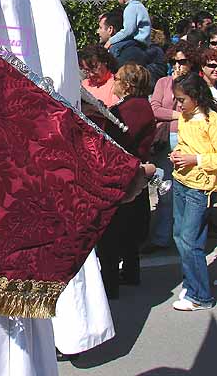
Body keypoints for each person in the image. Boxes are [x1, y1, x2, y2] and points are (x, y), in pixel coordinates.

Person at [97, 63, 156, 299]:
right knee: (128, 232)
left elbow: (119, 136)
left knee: (113, 233)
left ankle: (111, 284)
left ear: (128, 84)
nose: (114, 82)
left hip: (126, 175)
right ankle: (130, 273)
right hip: (132, 174)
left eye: (118, 79)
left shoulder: (135, 108)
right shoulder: (136, 106)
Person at [143, 42, 198, 254]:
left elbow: (195, 108)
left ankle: (184, 235)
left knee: (186, 191)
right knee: (165, 190)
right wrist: (178, 114)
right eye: (174, 61)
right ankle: (162, 237)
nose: (178, 65)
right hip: (166, 138)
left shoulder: (195, 83)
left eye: (182, 61)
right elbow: (155, 108)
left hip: (188, 139)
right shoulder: (164, 82)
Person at [170, 72, 217, 311]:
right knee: (180, 236)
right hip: (181, 182)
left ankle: (202, 295)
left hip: (200, 188)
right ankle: (192, 284)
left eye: (182, 100)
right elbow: (183, 144)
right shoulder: (184, 119)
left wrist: (194, 159)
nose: (178, 105)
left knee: (190, 240)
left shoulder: (212, 121)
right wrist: (177, 154)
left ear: (196, 97)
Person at [104, 0, 151, 65]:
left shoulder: (130, 8)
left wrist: (111, 40)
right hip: (144, 42)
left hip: (137, 42)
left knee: (114, 49)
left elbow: (128, 30)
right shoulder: (139, 6)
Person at [78, 45, 119, 125]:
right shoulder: (84, 84)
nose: (91, 74)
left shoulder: (116, 85)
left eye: (94, 68)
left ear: (105, 62)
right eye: (87, 70)